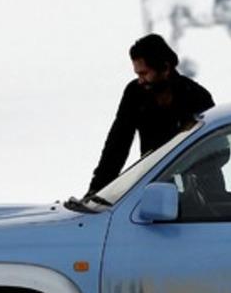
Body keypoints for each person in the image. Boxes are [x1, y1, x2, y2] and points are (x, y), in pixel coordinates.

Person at [87, 34, 214, 194]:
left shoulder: (197, 97)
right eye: (138, 74)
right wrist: (96, 190)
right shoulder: (135, 93)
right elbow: (117, 144)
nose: (141, 80)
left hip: (200, 194)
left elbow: (215, 150)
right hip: (155, 188)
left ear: (165, 68)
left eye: (145, 73)